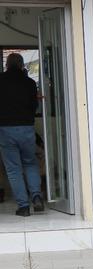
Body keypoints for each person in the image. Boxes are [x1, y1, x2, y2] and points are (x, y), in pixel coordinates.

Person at [0, 53, 43, 217]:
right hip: (27, 128)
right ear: (22, 65)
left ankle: (24, 206)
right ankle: (37, 196)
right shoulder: (30, 83)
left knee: (13, 170)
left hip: (5, 129)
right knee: (30, 163)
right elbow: (34, 106)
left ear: (6, 65)